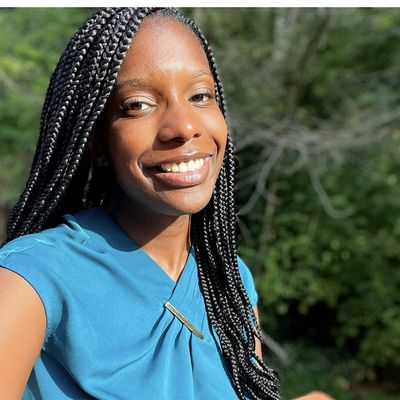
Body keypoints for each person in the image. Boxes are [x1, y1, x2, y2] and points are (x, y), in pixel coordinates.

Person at [0, 7, 333, 400]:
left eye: (200, 96)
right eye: (138, 104)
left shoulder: (228, 280)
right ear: (96, 140)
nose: (184, 126)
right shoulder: (29, 280)